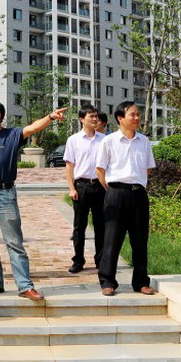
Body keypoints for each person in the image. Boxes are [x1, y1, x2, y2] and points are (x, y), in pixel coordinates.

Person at [0, 101, 67, 300]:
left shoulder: (12, 135)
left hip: (5, 193)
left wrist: (50, 117)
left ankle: (24, 286)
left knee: (14, 242)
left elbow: (33, 128)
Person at [95, 101, 156, 297]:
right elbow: (100, 170)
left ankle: (141, 282)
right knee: (111, 240)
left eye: (138, 114)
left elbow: (148, 169)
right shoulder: (109, 141)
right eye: (133, 115)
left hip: (138, 194)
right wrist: (113, 190)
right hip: (116, 194)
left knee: (140, 240)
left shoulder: (144, 141)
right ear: (120, 118)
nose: (137, 118)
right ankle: (107, 281)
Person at [64, 105, 105, 274]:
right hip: (81, 186)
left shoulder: (104, 140)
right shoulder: (73, 140)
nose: (95, 119)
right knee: (79, 226)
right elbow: (69, 166)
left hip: (100, 186)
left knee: (101, 226)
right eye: (91, 116)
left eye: (96, 116)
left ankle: (101, 260)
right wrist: (71, 188)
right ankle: (78, 260)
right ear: (82, 119)